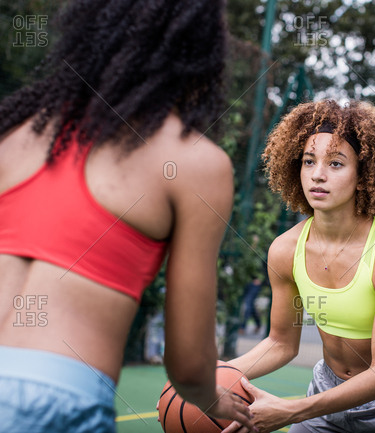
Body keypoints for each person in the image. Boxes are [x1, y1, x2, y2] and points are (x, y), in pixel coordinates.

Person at [0, 1, 255, 432]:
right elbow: (190, 365)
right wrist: (214, 400)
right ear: (199, 49)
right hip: (56, 395)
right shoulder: (194, 162)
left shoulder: (15, 132)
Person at [224, 99, 375, 433]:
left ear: (363, 174)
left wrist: (293, 411)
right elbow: (281, 343)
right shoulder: (285, 250)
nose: (318, 175)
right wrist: (215, 375)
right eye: (309, 161)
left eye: (336, 164)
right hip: (325, 396)